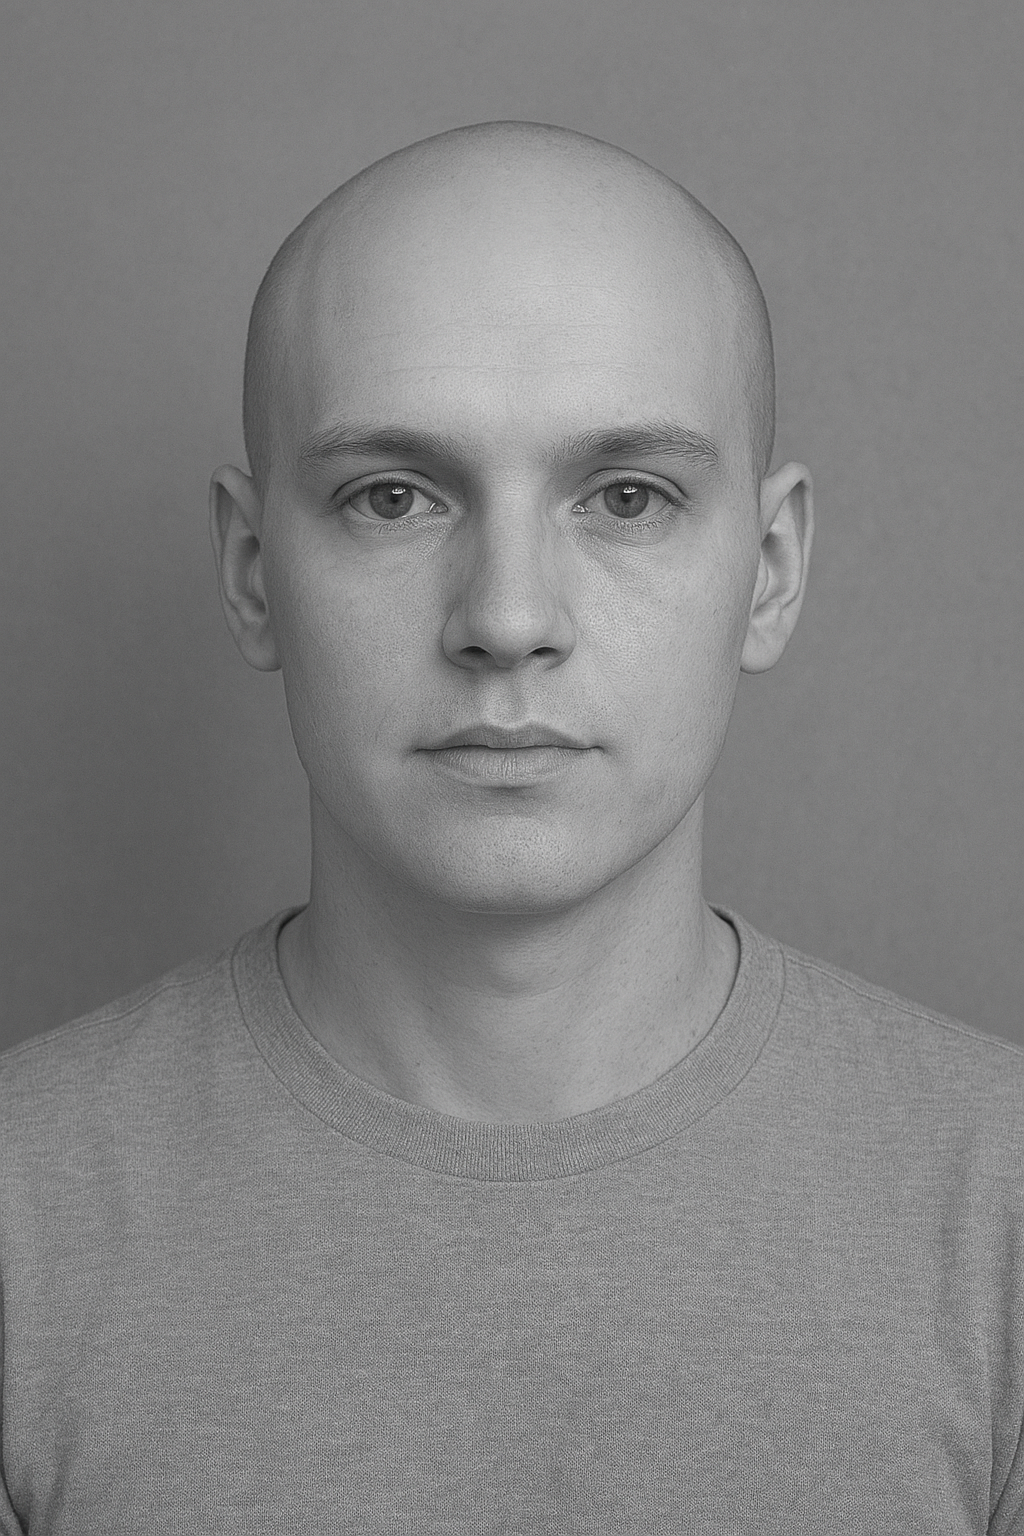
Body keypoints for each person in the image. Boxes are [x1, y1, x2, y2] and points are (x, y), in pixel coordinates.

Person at [1, 120, 1021, 1534]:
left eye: (626, 498)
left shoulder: (1002, 1219)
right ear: (252, 571)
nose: (508, 617)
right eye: (393, 497)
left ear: (771, 570)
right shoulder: (21, 1226)